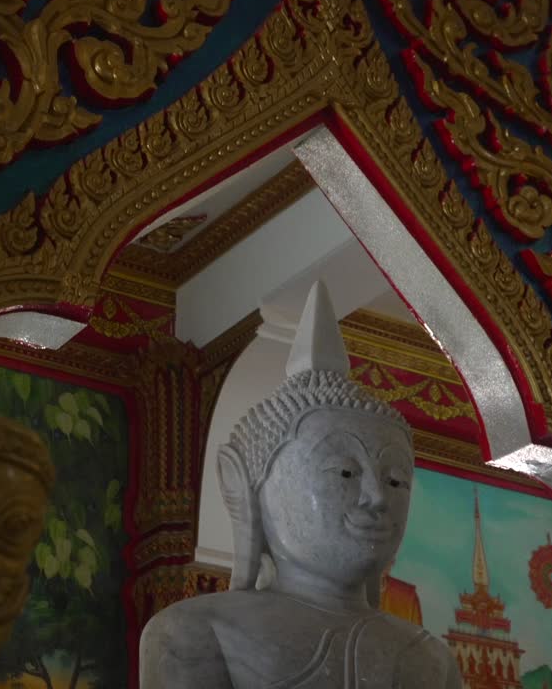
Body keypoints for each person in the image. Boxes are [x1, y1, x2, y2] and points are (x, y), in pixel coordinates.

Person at [138, 282, 460, 688]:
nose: (377, 497)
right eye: (344, 473)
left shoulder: (430, 658)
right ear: (247, 487)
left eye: (396, 480)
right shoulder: (196, 632)